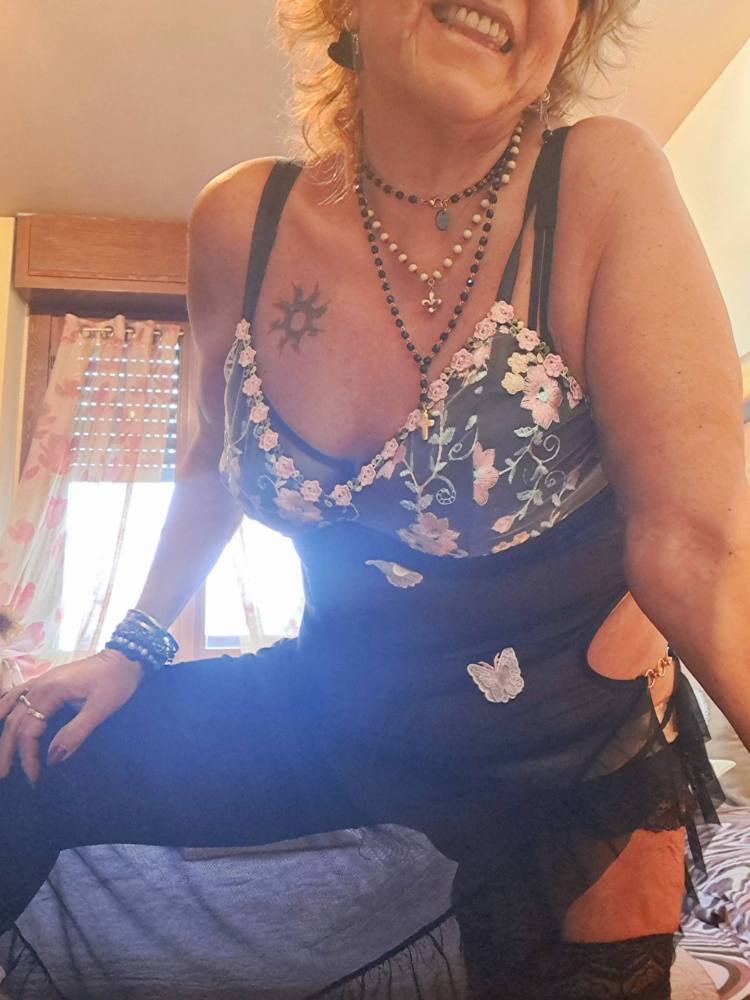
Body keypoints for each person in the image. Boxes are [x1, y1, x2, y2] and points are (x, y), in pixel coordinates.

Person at [1, 0, 749, 996]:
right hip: (330, 722)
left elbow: (700, 548)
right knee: (27, 760)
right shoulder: (241, 221)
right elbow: (209, 463)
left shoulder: (600, 183)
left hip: (565, 767)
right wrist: (132, 642)